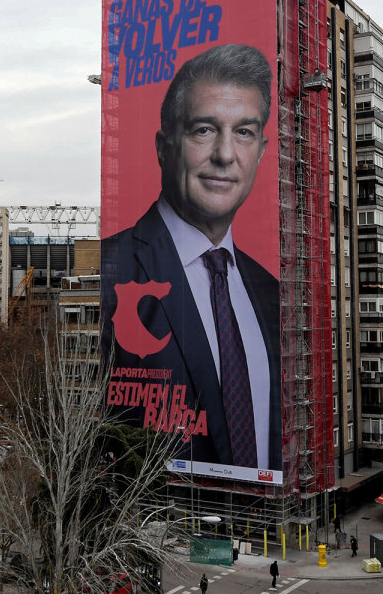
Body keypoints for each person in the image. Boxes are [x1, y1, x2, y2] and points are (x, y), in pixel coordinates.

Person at [102, 44, 282, 471]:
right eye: (204, 129)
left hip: (264, 533)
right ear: (165, 146)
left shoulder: (272, 293)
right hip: (161, 531)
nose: (224, 155)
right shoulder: (114, 268)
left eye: (244, 132)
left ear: (261, 150)